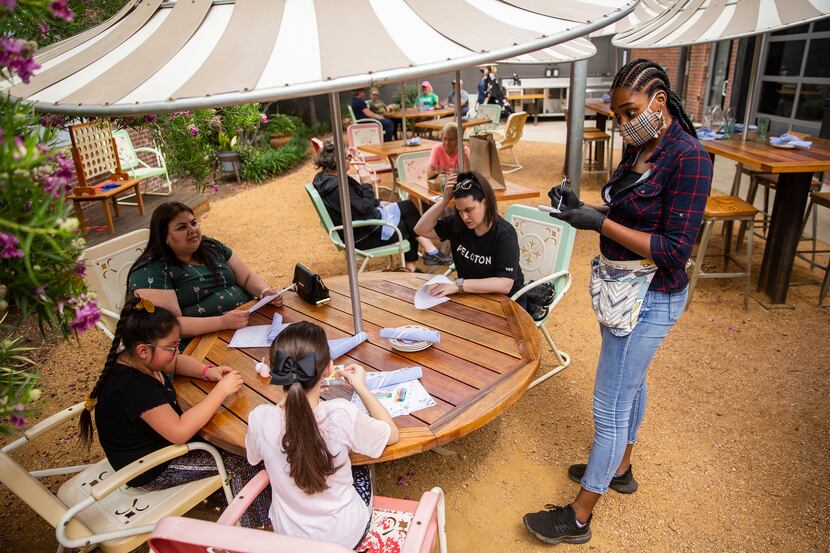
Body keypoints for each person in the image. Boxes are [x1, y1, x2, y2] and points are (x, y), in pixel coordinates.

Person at [522, 59, 712, 545]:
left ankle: (579, 517)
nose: (622, 125)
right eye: (616, 116)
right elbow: (629, 212)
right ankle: (620, 467)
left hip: (651, 297)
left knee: (610, 406)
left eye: (630, 113)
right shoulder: (639, 147)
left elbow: (673, 249)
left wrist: (598, 223)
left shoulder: (689, 158)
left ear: (659, 102)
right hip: (621, 289)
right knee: (632, 382)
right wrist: (580, 209)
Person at [78, 296, 270, 527]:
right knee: (244, 461)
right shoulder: (135, 387)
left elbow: (176, 363)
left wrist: (208, 371)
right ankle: (256, 530)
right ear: (142, 350)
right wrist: (220, 391)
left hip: (159, 445)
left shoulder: (142, 361)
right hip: (151, 467)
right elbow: (179, 432)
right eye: (171, 347)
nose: (176, 351)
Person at [246, 321, 399, 549]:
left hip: (289, 538)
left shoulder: (259, 418)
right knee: (361, 465)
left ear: (274, 371)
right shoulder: (340, 413)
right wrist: (361, 387)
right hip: (344, 535)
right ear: (328, 369)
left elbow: (253, 458)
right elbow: (391, 434)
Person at [127, 202, 283, 340]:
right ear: (164, 238)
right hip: (202, 340)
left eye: (193, 223)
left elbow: (247, 277)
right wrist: (222, 322)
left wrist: (264, 292)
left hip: (248, 324)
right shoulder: (150, 271)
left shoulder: (211, 247)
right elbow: (170, 325)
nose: (192, 230)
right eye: (182, 227)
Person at [312, 141, 451, 271]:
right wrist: (366, 183)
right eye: (347, 157)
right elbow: (366, 211)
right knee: (408, 220)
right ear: (338, 161)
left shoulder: (324, 179)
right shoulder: (339, 186)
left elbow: (354, 204)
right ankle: (427, 255)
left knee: (407, 209)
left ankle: (420, 260)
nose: (349, 160)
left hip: (354, 229)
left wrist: (377, 203)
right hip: (361, 237)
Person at [414, 171, 524, 298]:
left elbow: (504, 284)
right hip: (471, 296)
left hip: (506, 301)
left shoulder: (504, 234)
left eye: (468, 210)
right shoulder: (458, 224)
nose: (464, 217)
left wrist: (458, 284)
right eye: (459, 211)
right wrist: (445, 200)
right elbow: (421, 229)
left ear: (485, 203)